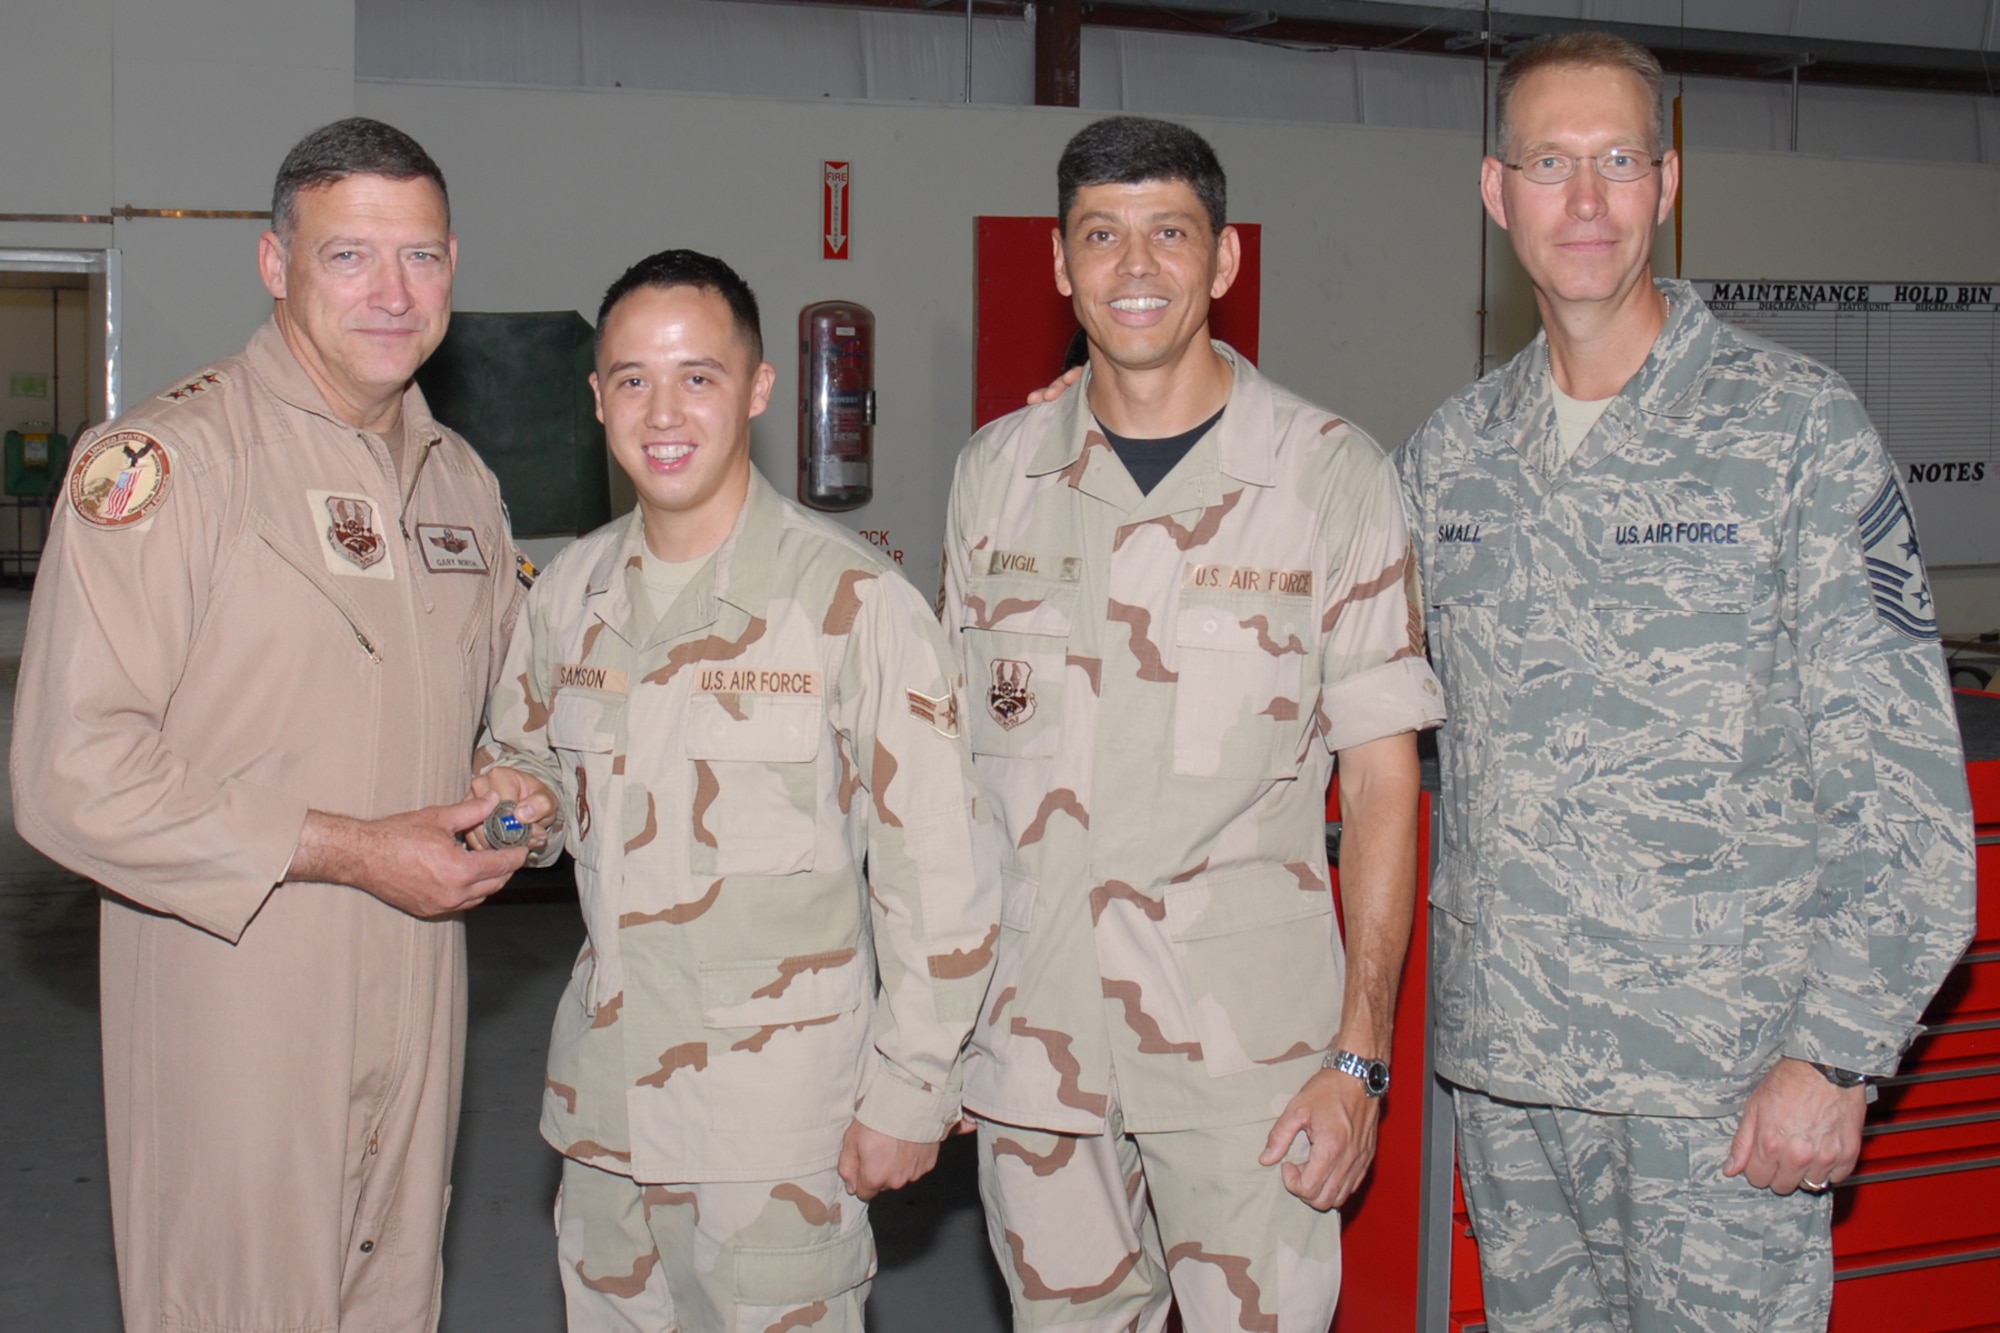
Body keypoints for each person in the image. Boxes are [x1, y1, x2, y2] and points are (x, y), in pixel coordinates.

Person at [1399, 32, 1977, 1332]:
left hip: (1723, 1093)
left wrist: (1835, 1053)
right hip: (1517, 1083)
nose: (1586, 202)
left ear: (1669, 185)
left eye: (1618, 161)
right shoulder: (1449, 462)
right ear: (1499, 193)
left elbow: (1904, 792)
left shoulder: (1794, 435)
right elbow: (1322, 653)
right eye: (1551, 163)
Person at [11, 119, 533, 1331]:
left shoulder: (460, 480)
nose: (393, 294)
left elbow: (511, 705)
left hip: (422, 995)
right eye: (350, 256)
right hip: (238, 1000)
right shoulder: (168, 464)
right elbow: (66, 774)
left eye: (422, 258)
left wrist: (523, 785)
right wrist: (353, 848)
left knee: (393, 1304)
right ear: (273, 263)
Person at [946, 116, 1445, 1330]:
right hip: (1036, 1052)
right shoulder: (996, 473)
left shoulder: (1329, 475)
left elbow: (1382, 783)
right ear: (1059, 266)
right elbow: (951, 778)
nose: (1133, 268)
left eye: (1168, 234)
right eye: (1100, 236)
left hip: (1249, 1066)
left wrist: (1357, 1058)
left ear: (1222, 263)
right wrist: (944, 1022)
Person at [473, 249, 998, 1331]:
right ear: (596, 398)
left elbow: (939, 868)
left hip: (773, 1141)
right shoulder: (571, 590)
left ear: (758, 390)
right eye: (631, 379)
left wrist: (911, 1090)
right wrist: (518, 807)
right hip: (604, 1117)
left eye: (698, 377)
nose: (662, 411)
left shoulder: (850, 603)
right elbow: (531, 764)